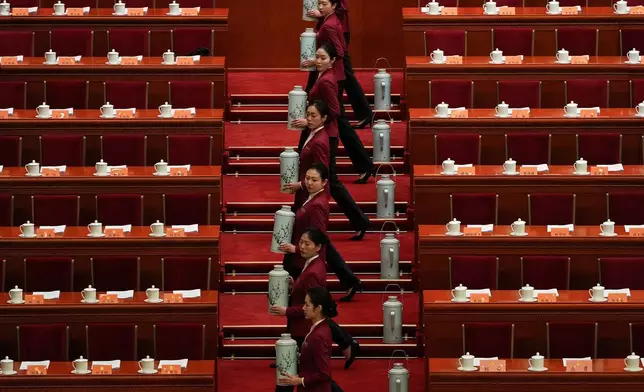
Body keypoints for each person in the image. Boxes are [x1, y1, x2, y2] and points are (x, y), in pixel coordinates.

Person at [293, 45, 371, 240]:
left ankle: (359, 220)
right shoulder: (323, 75)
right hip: (319, 129)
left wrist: (314, 119)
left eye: (322, 58)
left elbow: (335, 111)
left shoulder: (327, 81)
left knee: (331, 181)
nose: (318, 61)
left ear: (333, 60)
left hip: (326, 134)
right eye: (316, 57)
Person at [271, 228, 360, 384]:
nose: (302, 247)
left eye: (307, 244)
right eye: (300, 243)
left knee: (294, 375)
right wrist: (295, 284)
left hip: (304, 327)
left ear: (318, 247)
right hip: (303, 326)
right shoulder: (312, 264)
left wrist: (286, 311)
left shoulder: (313, 271)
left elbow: (312, 304)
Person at [302, 0, 374, 184]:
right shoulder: (329, 21)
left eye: (323, 3)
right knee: (320, 113)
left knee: (337, 119)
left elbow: (340, 51)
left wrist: (319, 62)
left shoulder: (332, 24)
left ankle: (365, 165)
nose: (319, 6)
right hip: (325, 70)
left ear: (333, 6)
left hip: (330, 74)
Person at [283, 162, 363, 301]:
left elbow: (318, 234)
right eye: (307, 179)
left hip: (307, 250)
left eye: (314, 180)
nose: (308, 183)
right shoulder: (313, 196)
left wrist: (296, 248)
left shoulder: (317, 204)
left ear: (324, 182)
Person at [307, 0, 374, 131]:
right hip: (334, 26)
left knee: (343, 71)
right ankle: (364, 113)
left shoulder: (332, 15)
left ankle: (364, 113)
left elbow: (339, 7)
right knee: (342, 73)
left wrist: (320, 14)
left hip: (337, 28)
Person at [278, 287, 341, 391]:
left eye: (307, 305)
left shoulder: (318, 336)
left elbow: (324, 374)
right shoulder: (319, 327)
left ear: (318, 308)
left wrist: (300, 381)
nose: (303, 308)